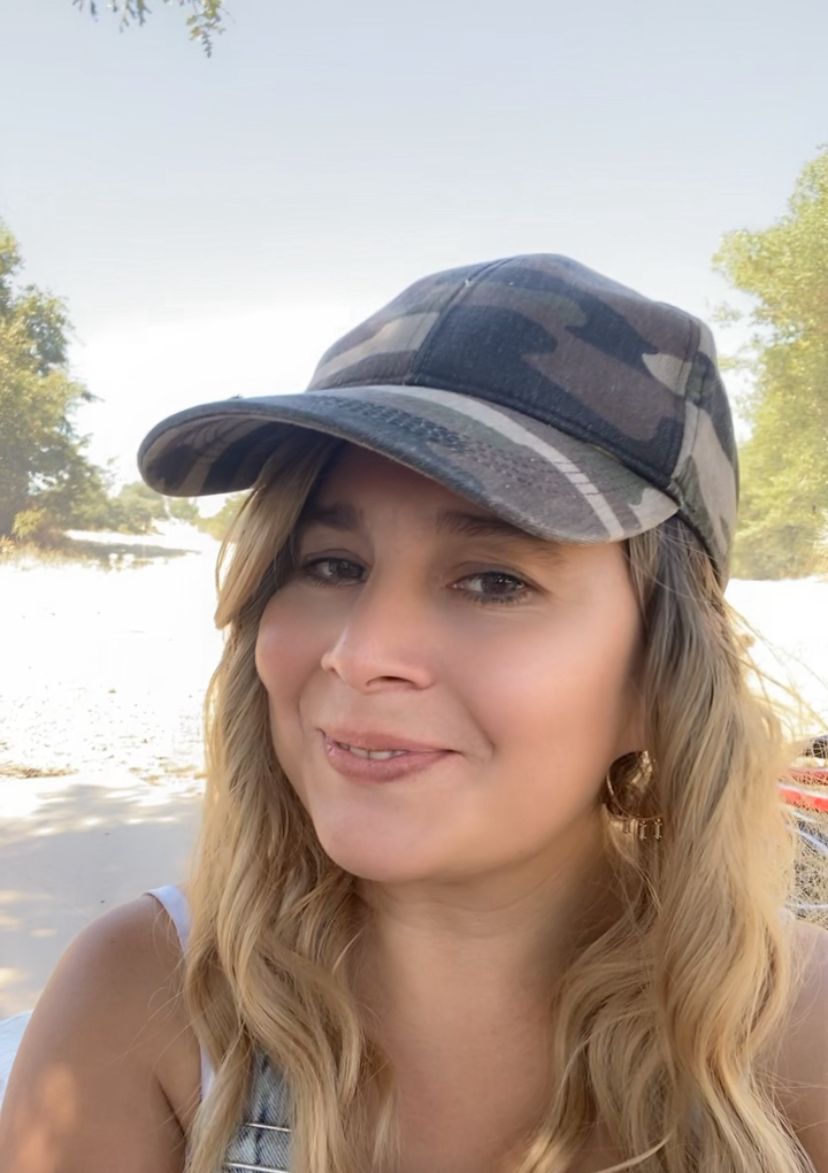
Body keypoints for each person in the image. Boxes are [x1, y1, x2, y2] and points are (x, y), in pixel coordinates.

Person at [1, 254, 826, 1173]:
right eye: (331, 565)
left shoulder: (799, 1036)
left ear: (661, 669)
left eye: (493, 580)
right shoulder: (143, 1000)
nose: (360, 652)